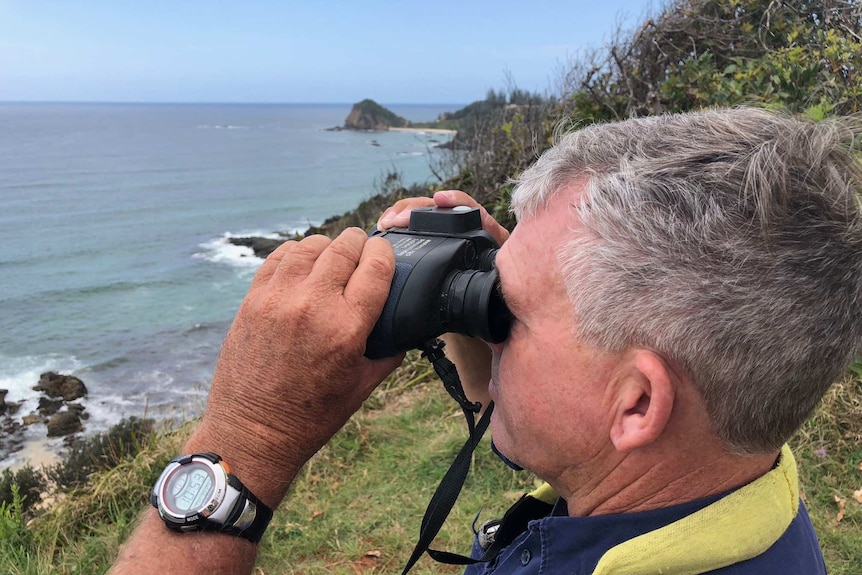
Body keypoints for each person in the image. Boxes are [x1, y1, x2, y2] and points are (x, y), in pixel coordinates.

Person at [110, 107, 862, 574]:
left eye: (514, 311)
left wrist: (249, 437)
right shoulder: (740, 469)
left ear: (636, 405)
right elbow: (561, 408)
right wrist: (487, 306)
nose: (492, 316)